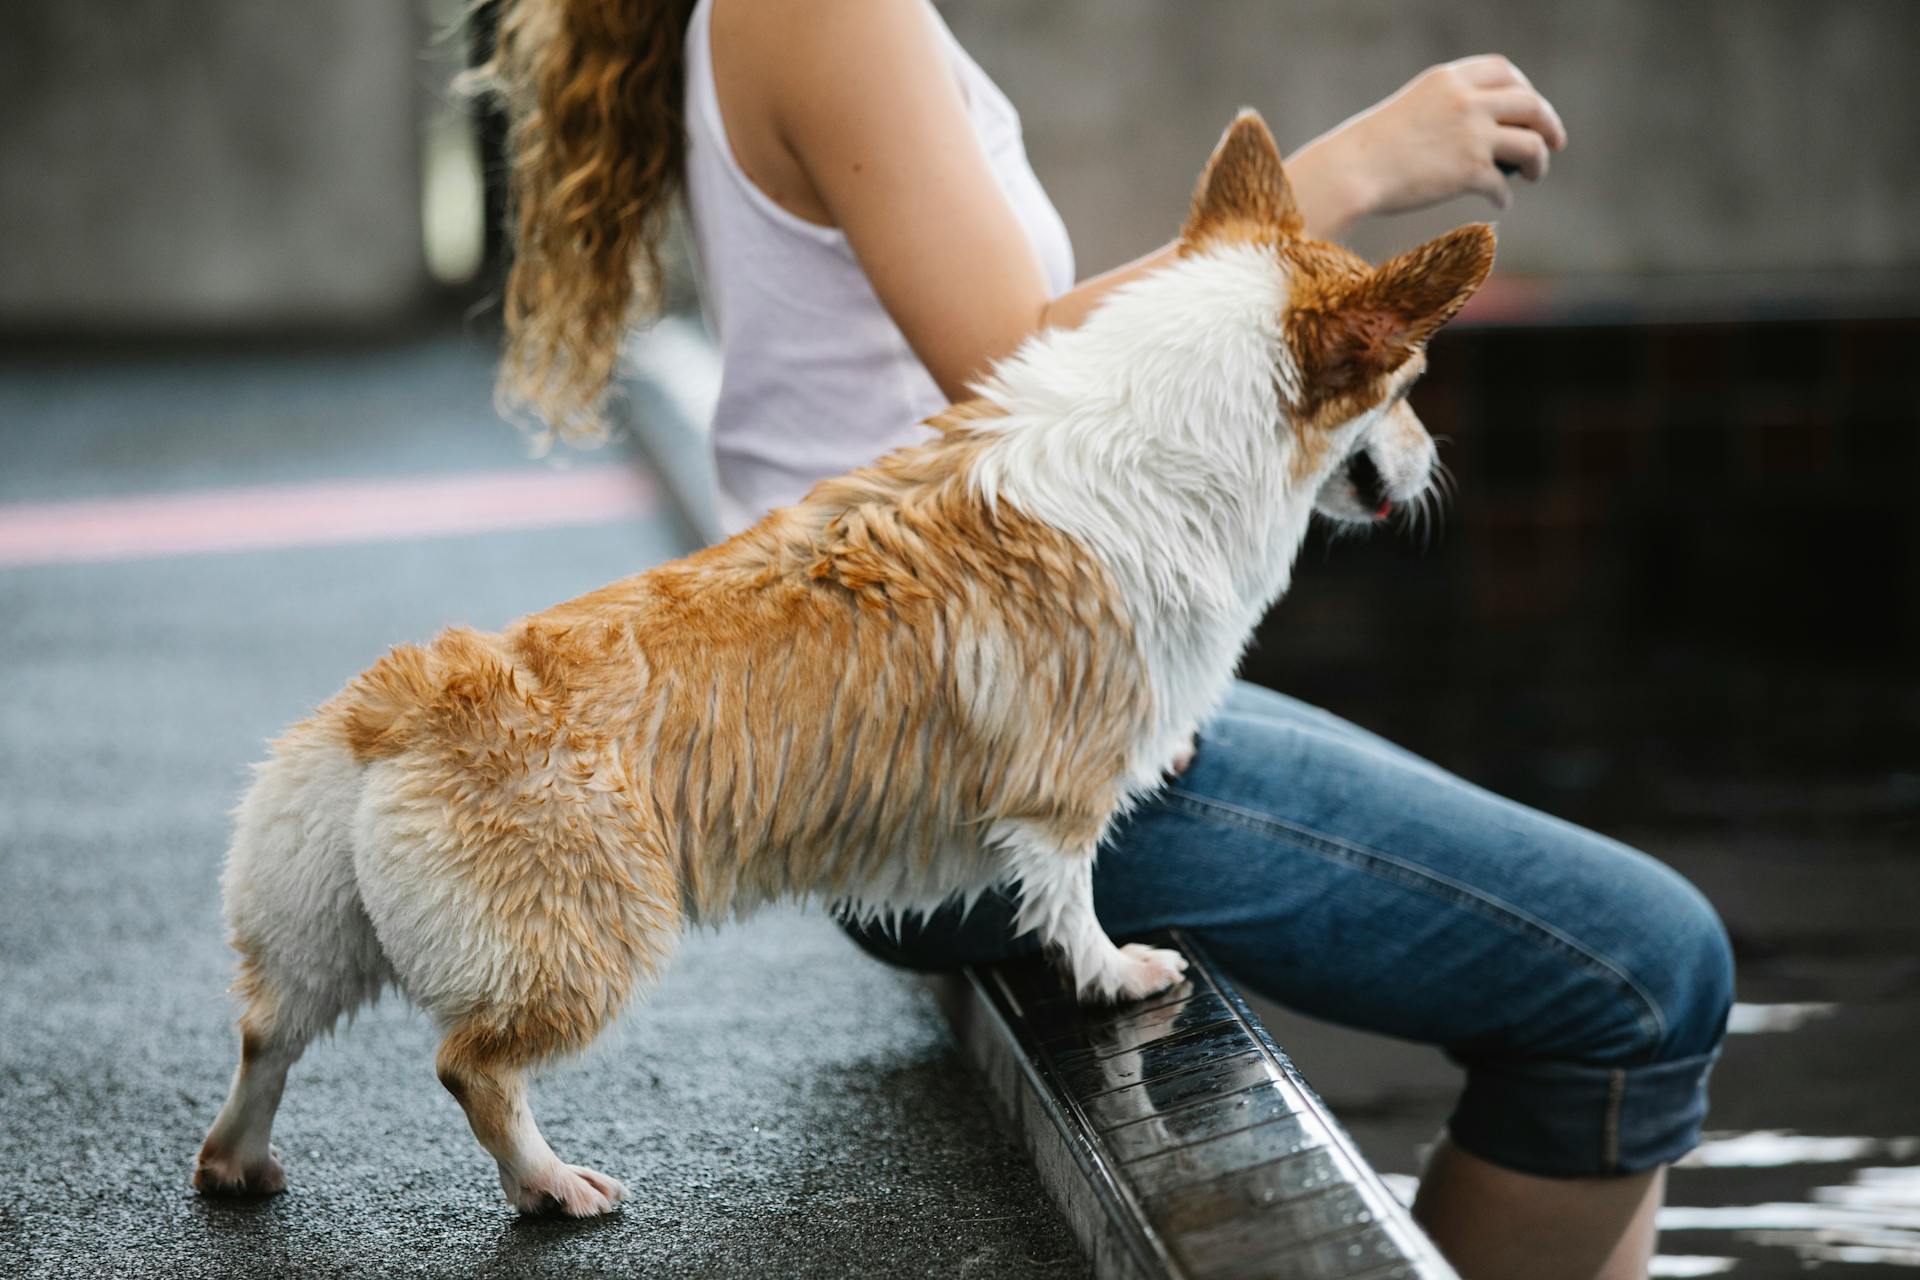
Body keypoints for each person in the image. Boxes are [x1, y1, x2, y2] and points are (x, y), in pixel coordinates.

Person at [473, 3, 1733, 1276]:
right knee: (1646, 973)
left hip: (974, 689)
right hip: (971, 735)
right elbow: (1011, 354)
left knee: (1645, 980)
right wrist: (1362, 163)